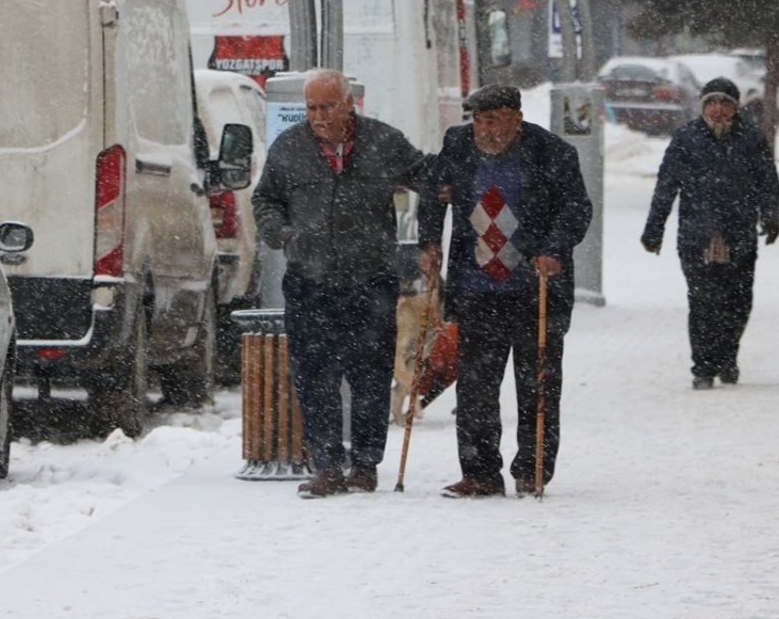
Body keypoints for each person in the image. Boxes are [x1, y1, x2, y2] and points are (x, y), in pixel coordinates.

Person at [252, 69, 432, 498]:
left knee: (369, 376)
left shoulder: (384, 143)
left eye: (327, 106)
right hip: (310, 281)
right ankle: (328, 464)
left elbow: (430, 183)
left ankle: (366, 464)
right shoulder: (290, 147)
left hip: (371, 279)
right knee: (315, 376)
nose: (318, 116)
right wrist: (283, 235)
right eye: (312, 107)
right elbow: (265, 199)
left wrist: (425, 240)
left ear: (349, 104)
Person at [419, 84, 592, 498]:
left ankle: (531, 468)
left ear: (517, 117)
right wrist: (429, 241)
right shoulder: (458, 144)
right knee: (476, 386)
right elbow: (432, 189)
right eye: (478, 121)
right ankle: (480, 473)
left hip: (534, 287)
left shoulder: (553, 153)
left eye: (493, 120)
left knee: (537, 384)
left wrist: (553, 249)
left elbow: (576, 208)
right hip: (477, 286)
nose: (485, 130)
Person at [641, 77, 779, 390]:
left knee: (738, 301)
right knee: (703, 301)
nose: (718, 110)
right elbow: (666, 186)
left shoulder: (752, 138)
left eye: (725, 103)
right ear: (703, 106)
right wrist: (654, 228)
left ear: (735, 107)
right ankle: (703, 366)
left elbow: (768, 182)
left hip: (739, 234)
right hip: (697, 236)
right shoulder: (686, 138)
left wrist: (770, 216)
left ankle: (728, 356)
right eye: (712, 103)